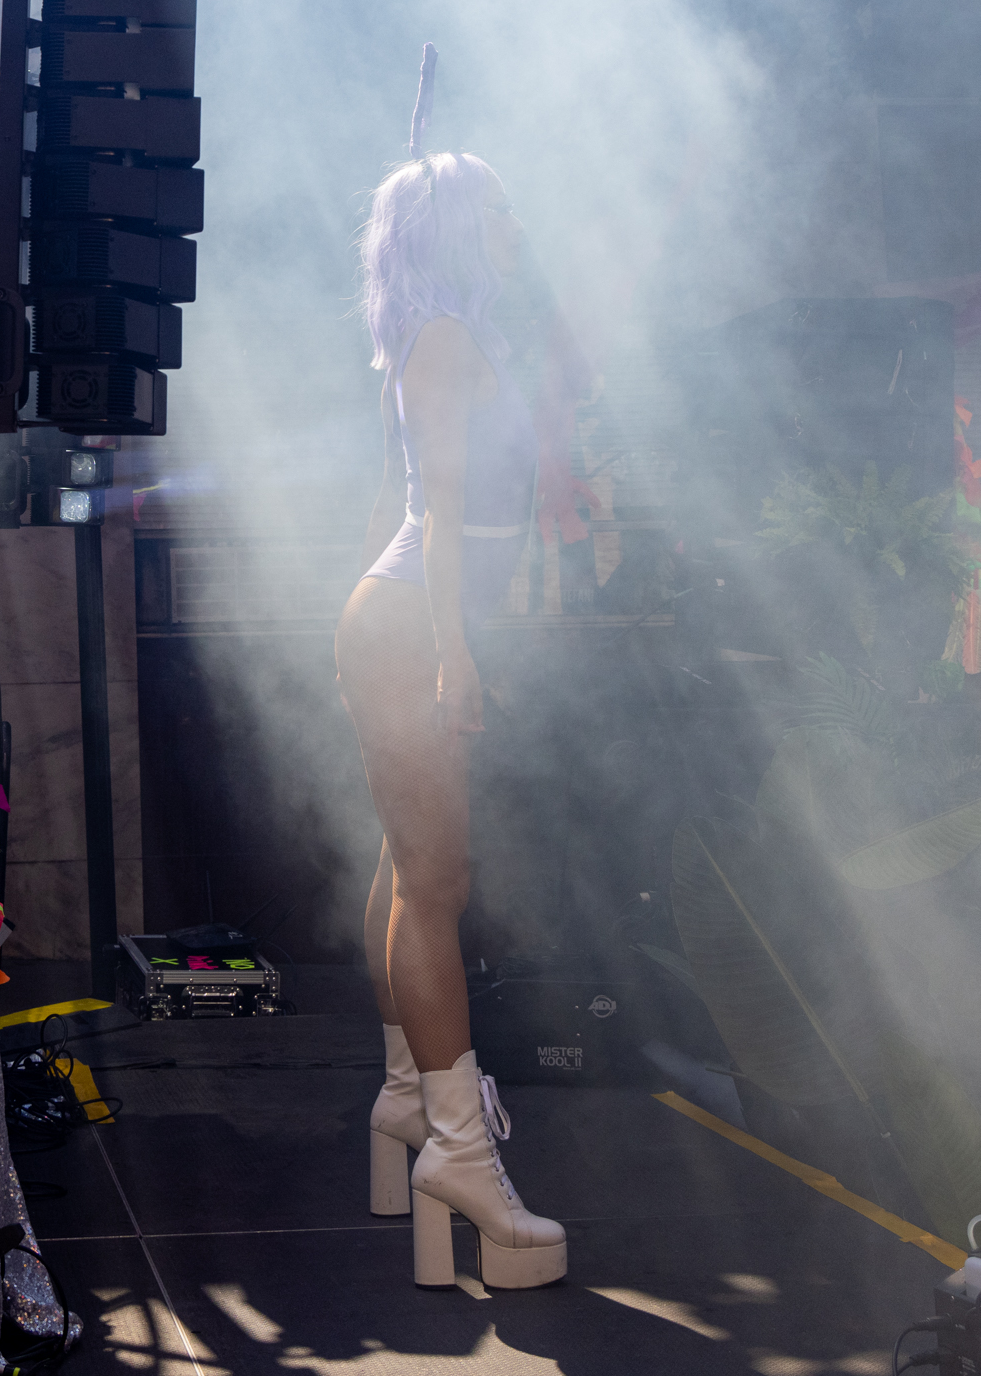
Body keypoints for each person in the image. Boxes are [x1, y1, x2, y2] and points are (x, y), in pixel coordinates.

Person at [337, 149, 568, 1290]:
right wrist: (454, 654)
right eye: (502, 207)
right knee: (438, 881)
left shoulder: (440, 336)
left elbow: (405, 498)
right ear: (462, 229)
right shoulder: (443, 340)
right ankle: (462, 1155)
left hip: (404, 623)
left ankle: (404, 1100)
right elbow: (435, 522)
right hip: (415, 625)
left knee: (409, 864)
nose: (519, 223)